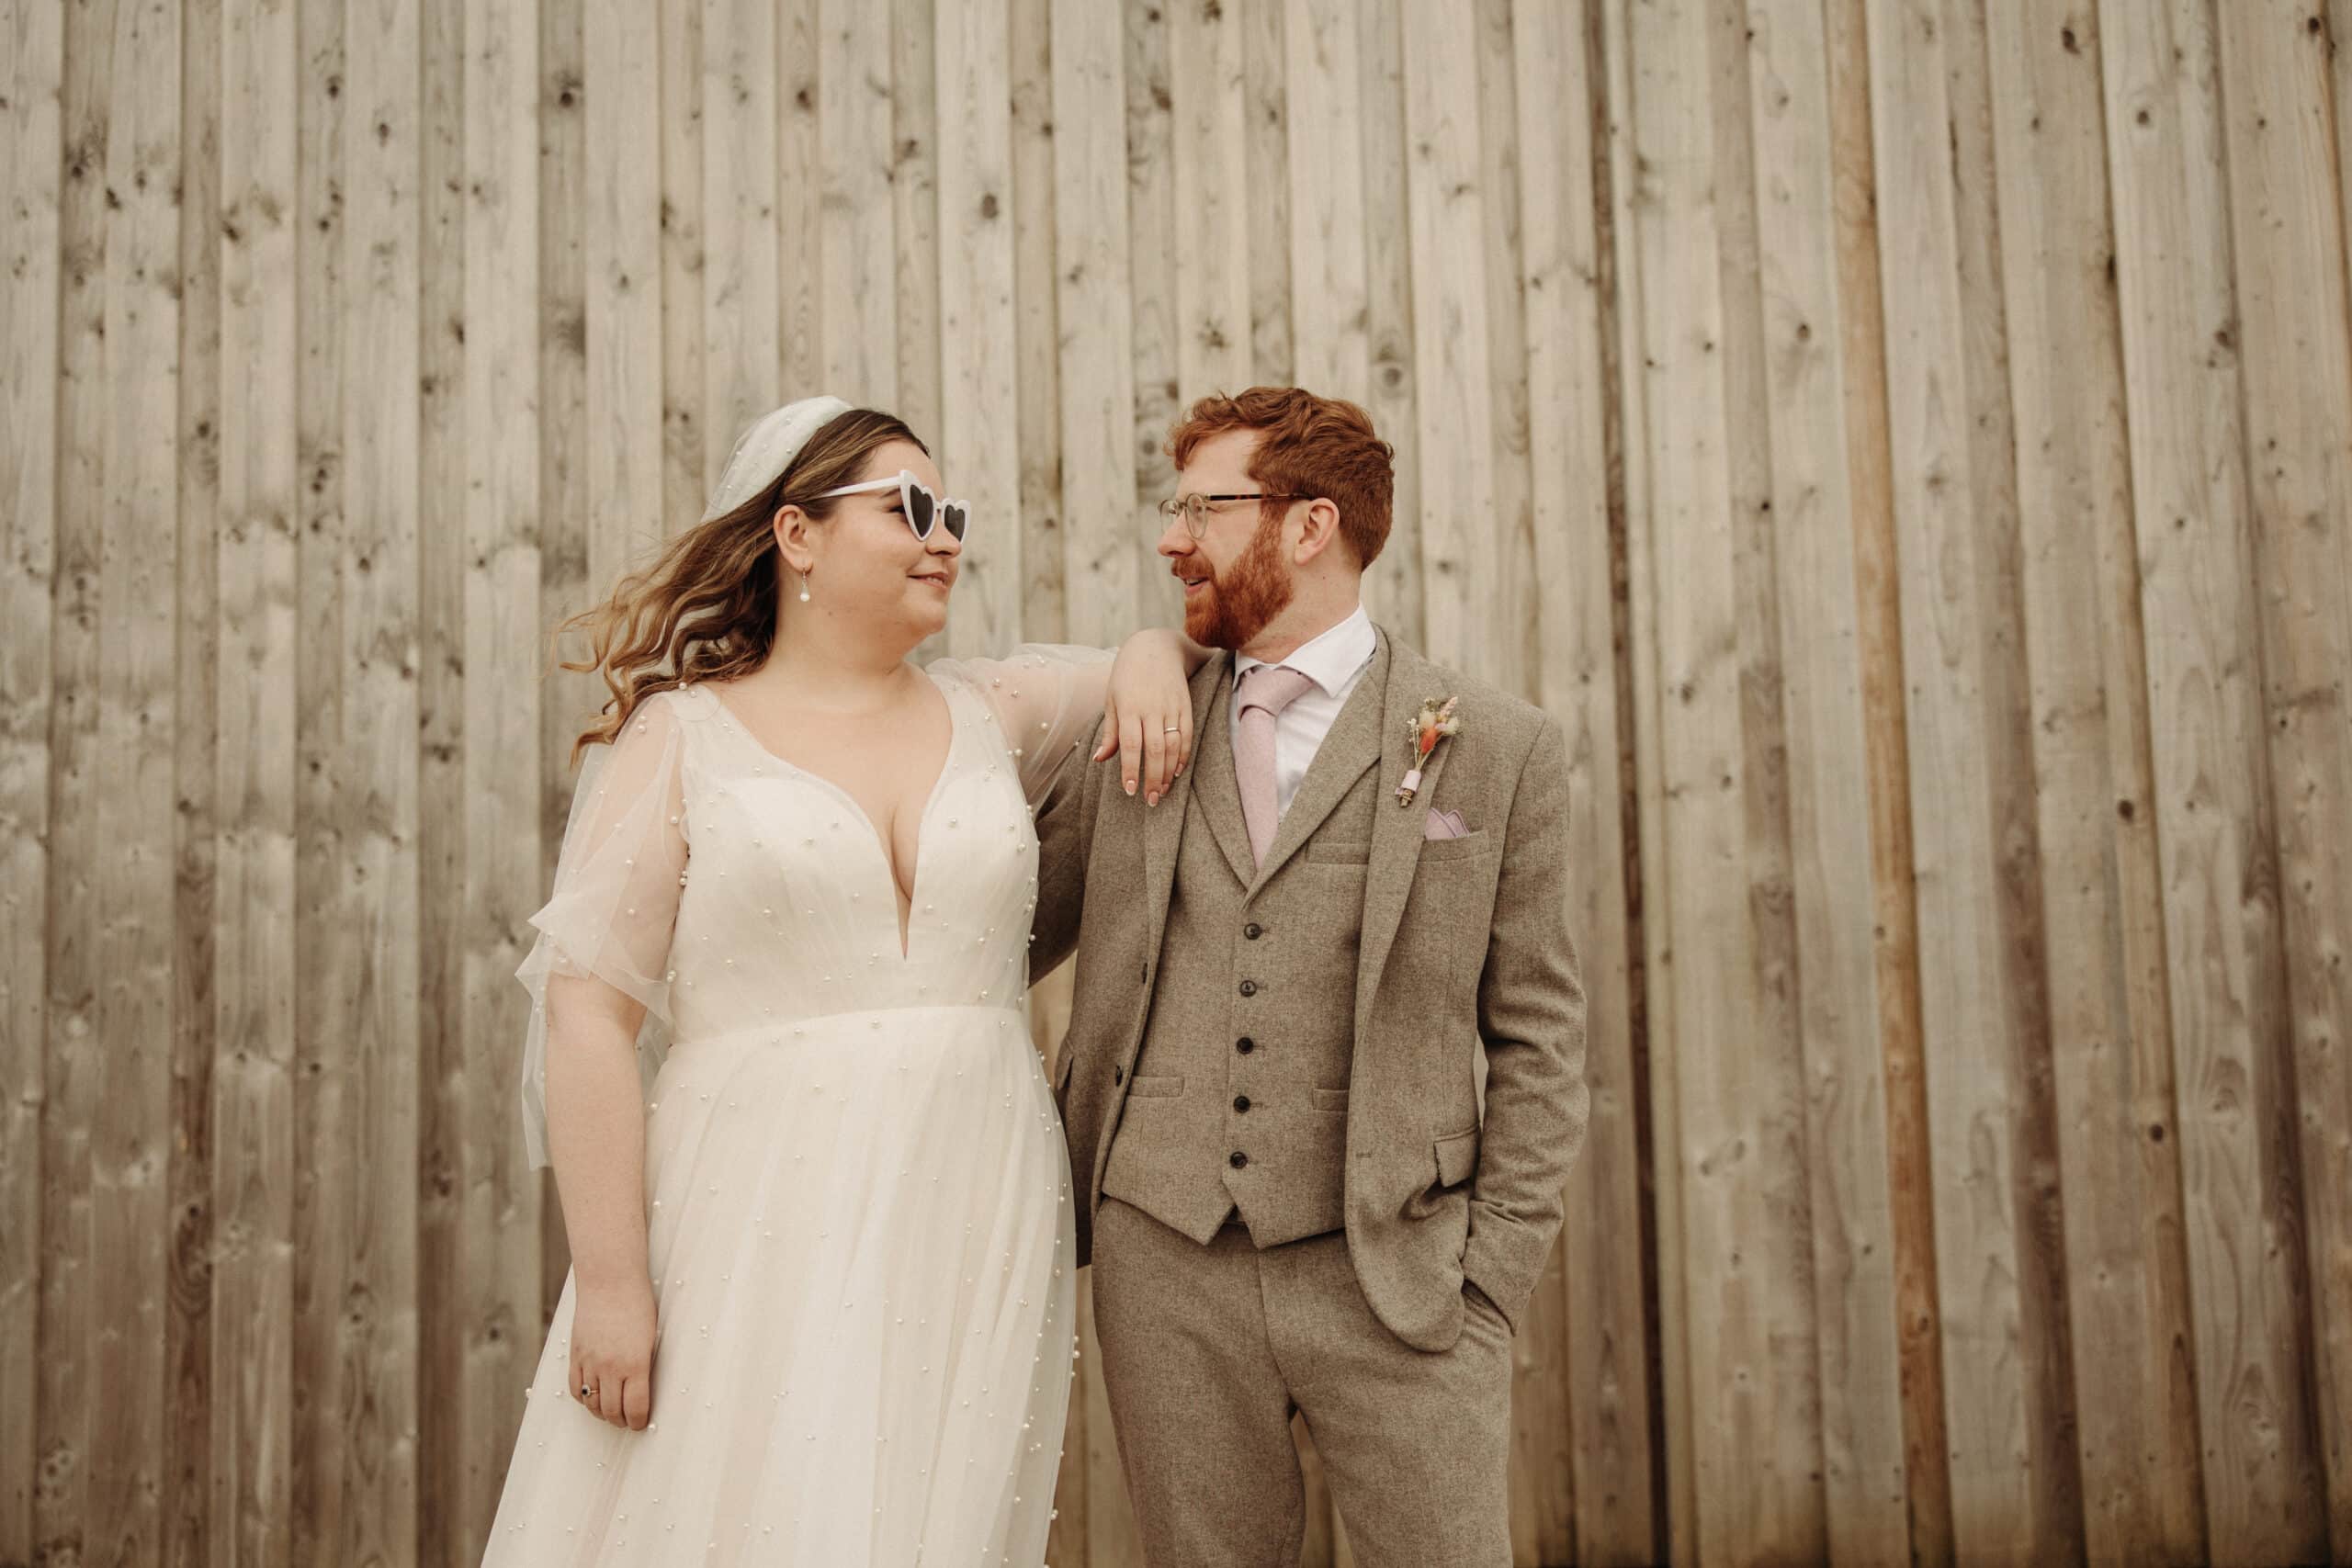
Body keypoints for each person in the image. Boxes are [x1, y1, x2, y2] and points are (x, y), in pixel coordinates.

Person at [481, 395, 1202, 1566]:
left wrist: (1148, 657)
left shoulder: (994, 712)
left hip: (973, 1194)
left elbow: (1191, 658)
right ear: (796, 535)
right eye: (909, 507)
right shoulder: (682, 737)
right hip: (751, 1207)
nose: (946, 536)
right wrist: (610, 1282)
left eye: (952, 511)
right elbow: (587, 1012)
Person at [1029, 386, 1590, 1566]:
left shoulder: (1494, 745)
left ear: (1308, 526)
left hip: (1400, 1269)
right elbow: (1005, 931)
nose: (1171, 537)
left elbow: (1540, 1037)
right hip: (1164, 1265)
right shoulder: (1143, 713)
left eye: (1203, 508)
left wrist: (1487, 1275)